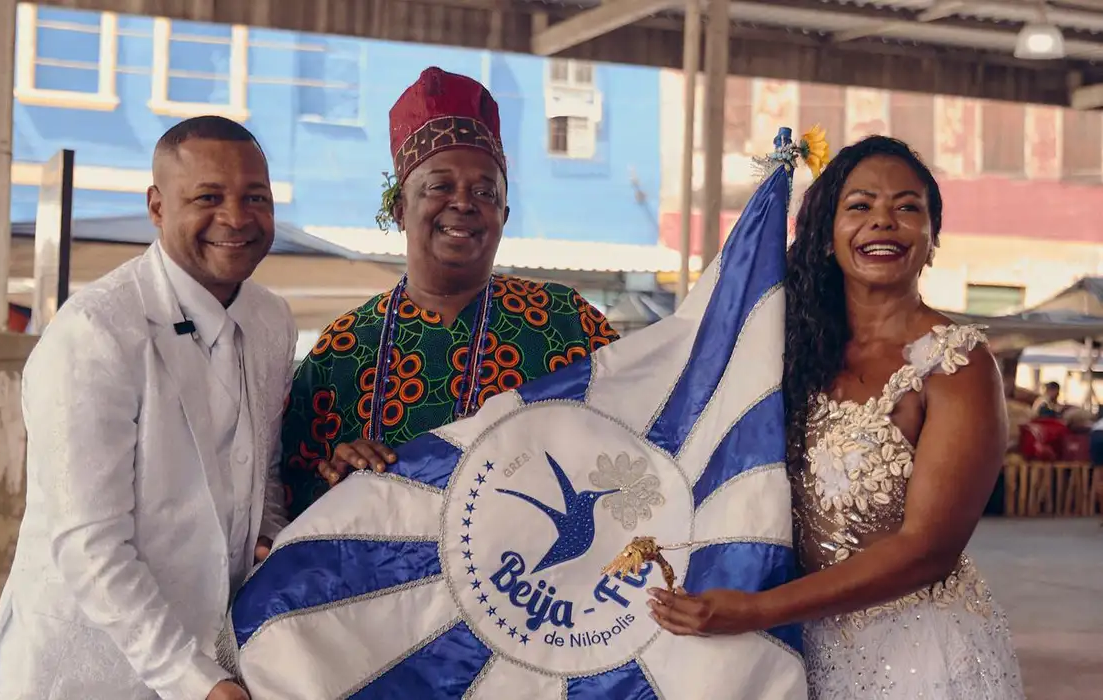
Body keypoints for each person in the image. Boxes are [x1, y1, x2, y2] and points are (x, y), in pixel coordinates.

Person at [647, 135, 1024, 698]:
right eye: (860, 205)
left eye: (907, 207)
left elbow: (928, 550)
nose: (883, 221)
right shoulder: (786, 348)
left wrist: (757, 609)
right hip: (792, 650)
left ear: (932, 238)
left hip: (916, 660)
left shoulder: (955, 364)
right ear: (827, 234)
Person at [0, 116, 297, 700]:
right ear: (156, 206)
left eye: (256, 197)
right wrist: (192, 680)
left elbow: (263, 474)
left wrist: (272, 545)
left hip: (217, 656)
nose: (236, 217)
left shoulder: (271, 319)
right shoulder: (95, 331)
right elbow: (89, 544)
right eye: (208, 197)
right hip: (86, 671)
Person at [280, 67, 620, 518]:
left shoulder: (567, 323)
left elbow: (634, 444)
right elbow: (285, 495)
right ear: (400, 209)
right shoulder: (343, 349)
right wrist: (335, 479)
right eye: (440, 186)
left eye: (485, 192)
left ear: (504, 214)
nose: (463, 203)